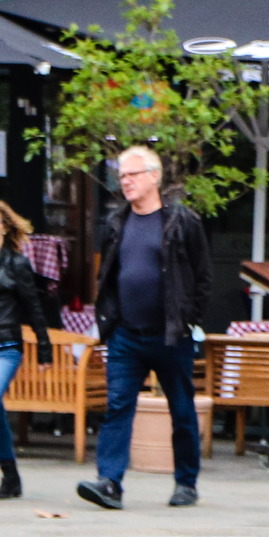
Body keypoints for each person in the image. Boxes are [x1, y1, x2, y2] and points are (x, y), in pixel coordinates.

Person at [79, 146, 209, 511]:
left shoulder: (182, 221)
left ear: (154, 176)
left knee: (182, 408)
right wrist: (110, 319)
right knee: (118, 406)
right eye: (121, 176)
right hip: (126, 335)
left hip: (170, 335)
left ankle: (186, 482)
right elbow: (110, 274)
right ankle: (110, 483)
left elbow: (203, 277)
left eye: (132, 174)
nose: (125, 181)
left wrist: (188, 319)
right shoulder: (117, 222)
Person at [0, 199, 53, 501]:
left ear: (5, 227)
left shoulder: (17, 264)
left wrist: (45, 349)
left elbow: (34, 308)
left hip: (5, 348)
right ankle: (11, 477)